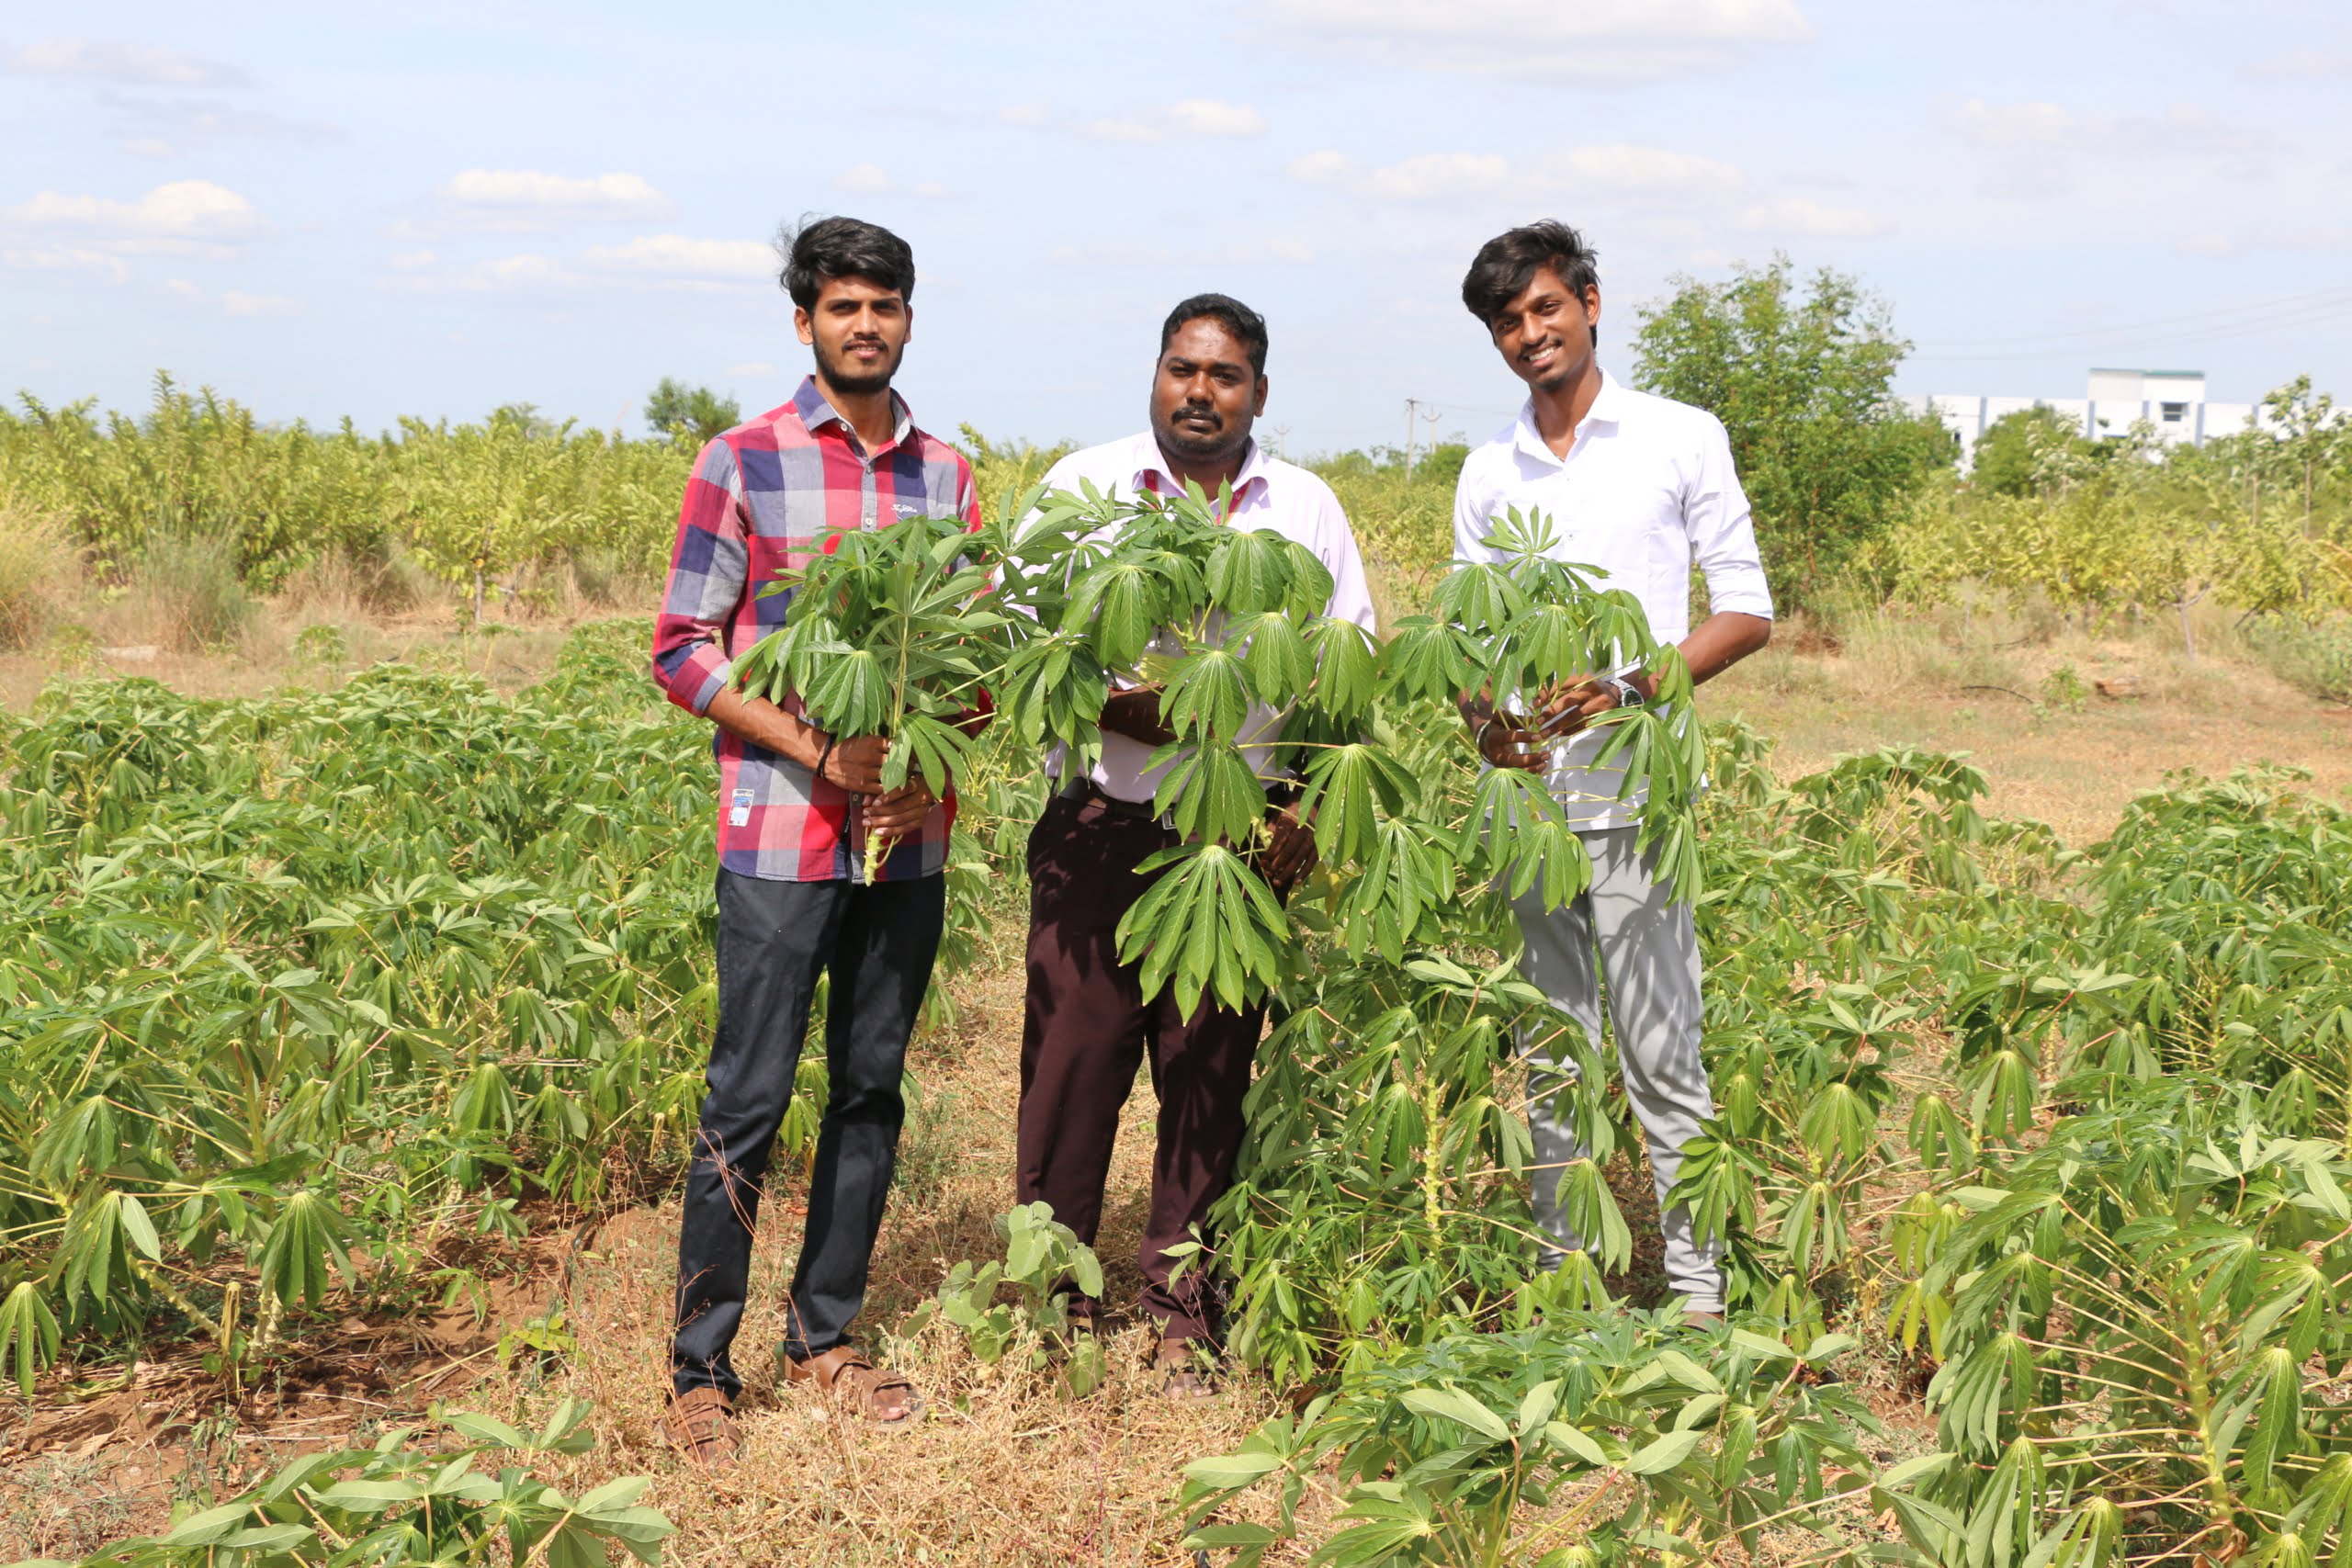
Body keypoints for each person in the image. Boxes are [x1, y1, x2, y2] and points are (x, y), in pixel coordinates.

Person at [650, 216, 979, 1462]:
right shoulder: (742, 459)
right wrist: (815, 747)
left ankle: (825, 1334)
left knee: (871, 1087)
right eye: (842, 305)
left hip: (906, 837)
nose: (865, 324)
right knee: (746, 1095)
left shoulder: (946, 477)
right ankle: (699, 1365)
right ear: (806, 322)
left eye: (884, 304)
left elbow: (975, 665)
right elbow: (682, 648)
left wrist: (915, 760)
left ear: (908, 317)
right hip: (782, 830)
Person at [1016, 294, 1375, 1393]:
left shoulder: (1303, 507)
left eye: (1225, 376)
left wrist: (1302, 810)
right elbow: (1030, 645)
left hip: (1240, 836)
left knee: (1208, 1077)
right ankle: (1052, 1305)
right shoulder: (1084, 490)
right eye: (1183, 369)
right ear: (1156, 374)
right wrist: (1146, 714)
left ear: (1258, 392)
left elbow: (1344, 675)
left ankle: (1185, 1314)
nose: (1200, 392)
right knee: (1072, 1075)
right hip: (1099, 825)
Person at [1449, 221, 1773, 1323]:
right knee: (1551, 1058)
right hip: (1530, 809)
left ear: (1589, 301)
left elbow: (1745, 612)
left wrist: (1628, 685)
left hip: (1638, 793)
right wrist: (1483, 724)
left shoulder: (1679, 436)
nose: (1529, 334)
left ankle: (1697, 1299)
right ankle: (1563, 1285)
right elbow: (1467, 637)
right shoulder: (1489, 467)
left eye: (1544, 309)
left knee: (1658, 1054)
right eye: (1507, 322)